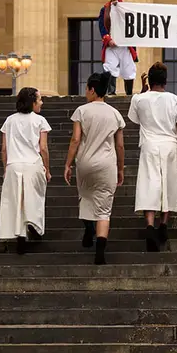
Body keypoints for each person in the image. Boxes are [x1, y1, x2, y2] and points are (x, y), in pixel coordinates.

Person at [64, 71, 126, 265]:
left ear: (92, 90)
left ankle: (88, 229)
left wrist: (67, 164)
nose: (85, 92)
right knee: (104, 210)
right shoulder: (115, 114)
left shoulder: (82, 111)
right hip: (107, 163)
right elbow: (120, 145)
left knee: (85, 196)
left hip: (85, 162)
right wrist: (121, 168)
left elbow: (75, 140)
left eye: (86, 89)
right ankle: (100, 251)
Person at [129, 62, 177, 251]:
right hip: (170, 145)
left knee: (150, 184)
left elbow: (136, 116)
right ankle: (163, 224)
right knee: (168, 184)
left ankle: (149, 226)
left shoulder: (138, 99)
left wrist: (142, 90)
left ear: (150, 79)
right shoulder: (175, 100)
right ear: (165, 81)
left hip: (149, 145)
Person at [0, 86, 51, 251]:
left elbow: (4, 149)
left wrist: (5, 168)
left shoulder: (9, 120)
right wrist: (47, 169)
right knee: (34, 198)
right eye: (39, 99)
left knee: (16, 202)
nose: (41, 102)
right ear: (33, 102)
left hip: (14, 165)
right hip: (33, 165)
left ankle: (20, 235)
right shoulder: (40, 121)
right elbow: (43, 148)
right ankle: (33, 224)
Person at [99, 0, 137, 96]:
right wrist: (108, 39)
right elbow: (101, 26)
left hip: (125, 45)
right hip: (111, 45)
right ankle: (111, 92)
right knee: (110, 67)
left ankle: (129, 93)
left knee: (128, 68)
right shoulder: (105, 9)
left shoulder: (127, 8)